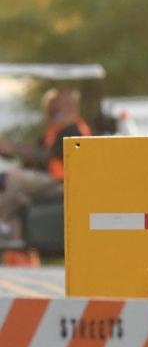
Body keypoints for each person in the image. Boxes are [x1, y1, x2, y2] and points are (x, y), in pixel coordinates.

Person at [0, 89, 91, 239]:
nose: (51, 114)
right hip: (49, 181)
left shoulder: (73, 130)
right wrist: (8, 149)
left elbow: (44, 155)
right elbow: (32, 149)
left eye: (56, 109)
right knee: (11, 193)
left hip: (62, 182)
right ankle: (9, 233)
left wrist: (13, 148)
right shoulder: (55, 131)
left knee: (14, 179)